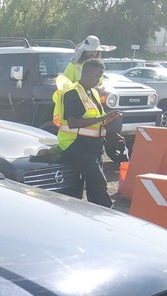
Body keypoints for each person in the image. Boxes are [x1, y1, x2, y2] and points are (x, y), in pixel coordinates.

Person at [57, 57, 121, 208]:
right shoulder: (73, 94)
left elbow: (94, 120)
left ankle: (94, 213)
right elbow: (73, 123)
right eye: (96, 76)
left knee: (94, 184)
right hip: (75, 144)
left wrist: (108, 120)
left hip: (93, 146)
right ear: (86, 74)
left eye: (100, 76)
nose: (99, 80)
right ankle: (106, 211)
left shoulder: (93, 93)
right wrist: (103, 117)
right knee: (98, 181)